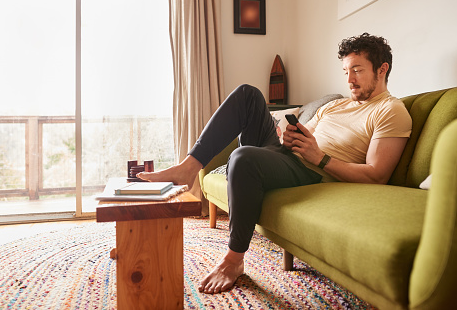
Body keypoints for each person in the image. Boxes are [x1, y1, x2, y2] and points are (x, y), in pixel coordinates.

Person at [137, 33, 412, 294]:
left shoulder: (390, 110)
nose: (350, 79)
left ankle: (234, 259)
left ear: (382, 69)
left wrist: (320, 157)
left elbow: (376, 176)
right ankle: (188, 167)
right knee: (247, 94)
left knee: (242, 157)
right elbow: (305, 137)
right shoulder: (335, 105)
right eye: (346, 71)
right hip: (289, 156)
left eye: (358, 70)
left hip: (311, 171)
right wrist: (292, 138)